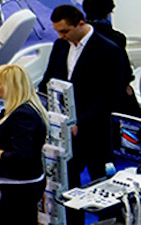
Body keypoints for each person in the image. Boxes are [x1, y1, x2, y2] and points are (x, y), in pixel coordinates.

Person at [37, 5, 124, 225]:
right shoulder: (60, 46)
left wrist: (79, 122)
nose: (60, 36)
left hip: (96, 132)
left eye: (65, 31)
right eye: (57, 31)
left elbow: (108, 97)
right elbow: (49, 80)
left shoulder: (108, 50)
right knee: (69, 185)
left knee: (101, 185)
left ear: (81, 24)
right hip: (65, 133)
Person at [0, 64, 48, 225]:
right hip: (16, 186)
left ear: (11, 87)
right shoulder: (12, 110)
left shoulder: (23, 116)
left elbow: (20, 157)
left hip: (21, 187)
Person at [82, 0, 141, 117]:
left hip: (85, 98)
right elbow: (125, 72)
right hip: (112, 99)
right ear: (108, 13)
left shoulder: (75, 40)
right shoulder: (115, 40)